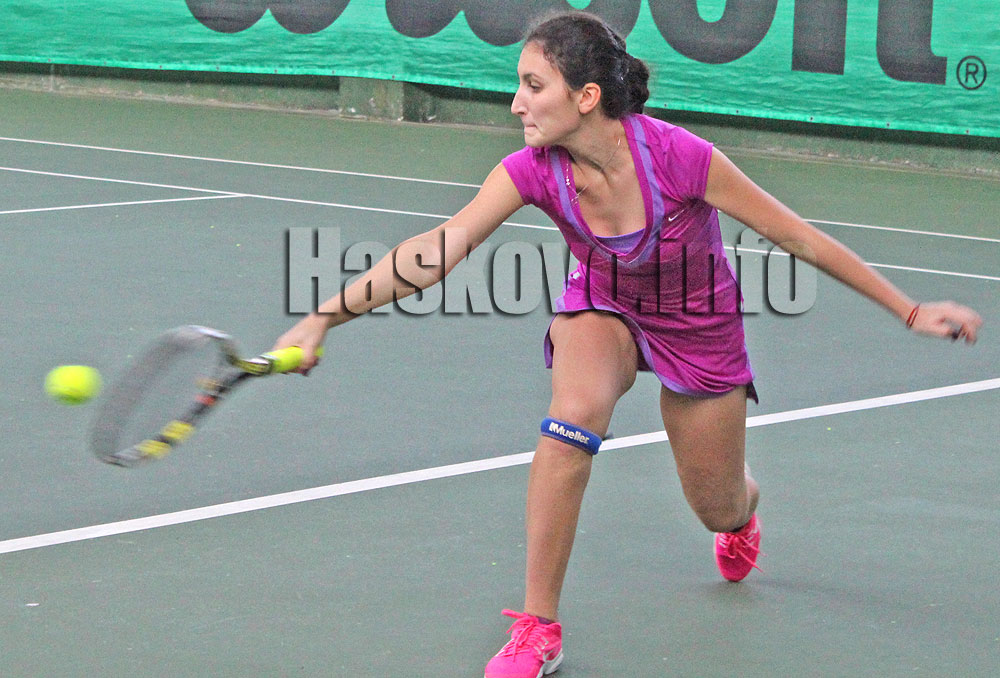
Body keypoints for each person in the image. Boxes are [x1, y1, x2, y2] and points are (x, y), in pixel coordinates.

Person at [272, 11, 983, 678]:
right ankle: (538, 626)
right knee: (570, 420)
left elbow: (796, 236)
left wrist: (908, 309)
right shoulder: (532, 170)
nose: (516, 104)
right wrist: (325, 317)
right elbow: (437, 250)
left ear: (586, 97)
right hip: (604, 305)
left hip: (698, 325)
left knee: (717, 506)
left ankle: (742, 515)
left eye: (533, 86)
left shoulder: (679, 157)